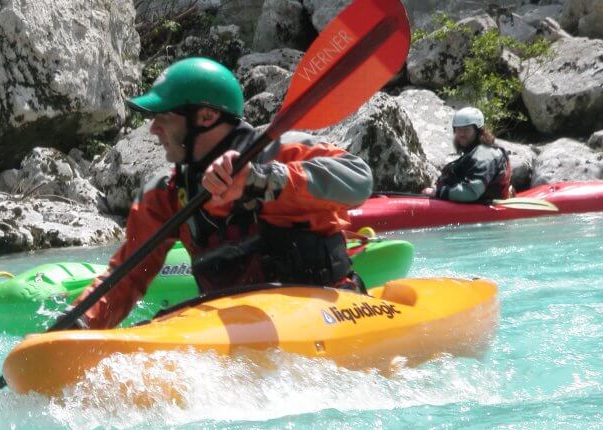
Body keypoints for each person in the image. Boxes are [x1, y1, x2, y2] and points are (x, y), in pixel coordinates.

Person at [73, 57, 374, 330]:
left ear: (205, 117)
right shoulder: (166, 195)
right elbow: (125, 278)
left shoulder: (281, 150)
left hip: (325, 310)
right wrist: (80, 324)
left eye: (163, 116)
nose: (153, 129)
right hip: (237, 326)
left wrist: (261, 180)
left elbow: (359, 180)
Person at [422, 107, 511, 203]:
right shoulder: (474, 151)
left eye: (466, 130)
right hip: (471, 205)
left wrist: (438, 193)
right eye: (458, 130)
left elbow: (471, 192)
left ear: (478, 131)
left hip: (482, 209)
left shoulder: (484, 155)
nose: (461, 134)